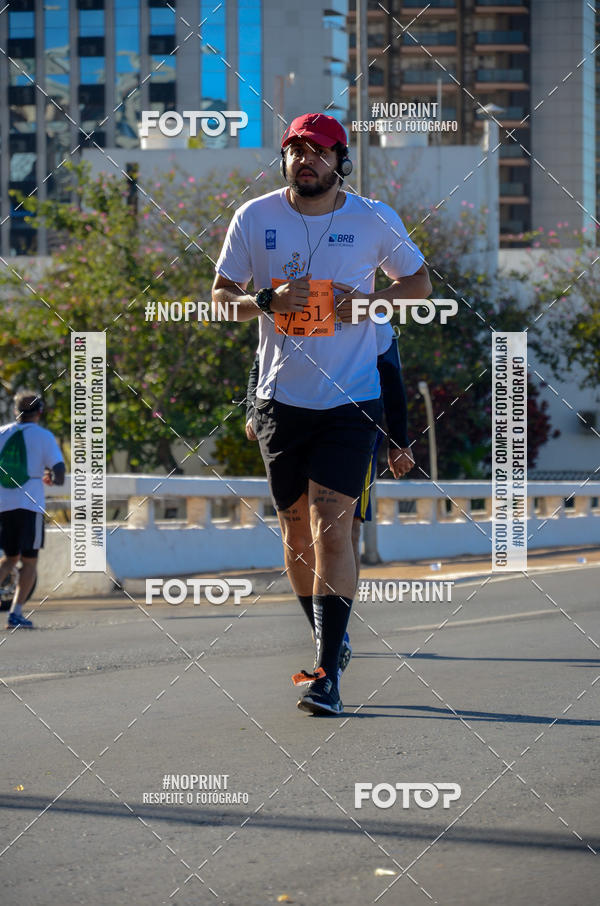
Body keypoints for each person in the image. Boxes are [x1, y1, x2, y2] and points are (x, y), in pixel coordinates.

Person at [212, 112, 431, 715]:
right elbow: (221, 298)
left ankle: (325, 673)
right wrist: (262, 300)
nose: (304, 160)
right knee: (295, 536)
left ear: (341, 161)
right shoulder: (254, 218)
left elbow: (418, 283)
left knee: (334, 522)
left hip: (351, 399)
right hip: (282, 400)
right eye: (294, 151)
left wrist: (371, 306)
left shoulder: (371, 217)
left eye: (318, 152)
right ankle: (329, 639)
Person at [245, 322, 415, 676]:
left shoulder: (372, 314)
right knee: (300, 535)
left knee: (342, 532)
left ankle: (332, 643)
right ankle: (325, 631)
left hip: (352, 430)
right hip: (290, 423)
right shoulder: (293, 298)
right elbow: (264, 358)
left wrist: (399, 442)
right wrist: (252, 410)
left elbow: (392, 376)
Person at [0, 392, 65, 629]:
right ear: (40, 412)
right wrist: (51, 476)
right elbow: (59, 473)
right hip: (29, 506)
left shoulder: (2, 433)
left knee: (8, 558)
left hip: (3, 506)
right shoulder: (44, 436)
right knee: (29, 562)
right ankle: (15, 614)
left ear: (16, 411)